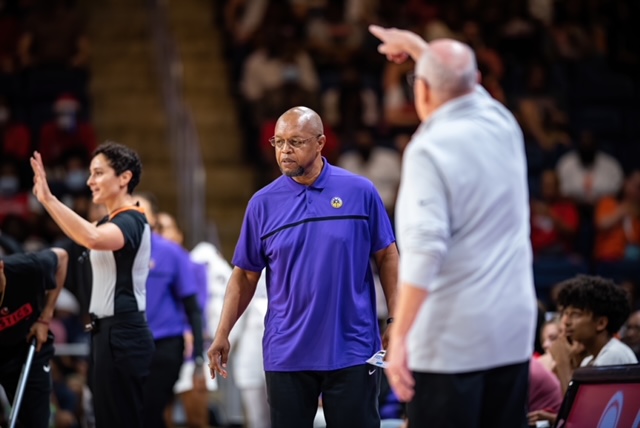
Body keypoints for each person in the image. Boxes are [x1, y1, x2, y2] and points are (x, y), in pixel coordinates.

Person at [368, 25, 537, 428]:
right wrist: (418, 50)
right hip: (512, 336)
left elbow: (425, 252)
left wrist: (403, 335)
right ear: (476, 82)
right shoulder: (504, 124)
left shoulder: (428, 147)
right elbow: (460, 83)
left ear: (421, 90)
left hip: (450, 345)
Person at [208, 106, 399, 428]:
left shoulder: (359, 191)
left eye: (295, 142)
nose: (285, 151)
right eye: (278, 142)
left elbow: (388, 257)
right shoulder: (262, 204)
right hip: (287, 352)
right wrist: (222, 332)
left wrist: (396, 318)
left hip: (352, 348)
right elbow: (244, 276)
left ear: (321, 142)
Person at [30, 141, 155, 428]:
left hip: (123, 332)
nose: (89, 181)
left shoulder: (132, 220)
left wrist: (48, 199)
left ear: (124, 178)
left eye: (98, 173)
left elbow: (92, 239)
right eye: (90, 173)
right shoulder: (107, 222)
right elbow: (80, 240)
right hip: (105, 333)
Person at [134, 194, 205, 428]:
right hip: (126, 345)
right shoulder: (114, 250)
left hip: (164, 345)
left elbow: (193, 306)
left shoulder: (171, 253)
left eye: (142, 211)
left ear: (154, 219)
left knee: (152, 412)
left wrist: (198, 358)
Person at [529, 275, 637, 426]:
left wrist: (563, 363)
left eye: (576, 314)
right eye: (565, 313)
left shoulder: (614, 355)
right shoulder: (590, 359)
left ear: (601, 323)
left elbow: (592, 420)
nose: (566, 322)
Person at [0, 247, 68, 427]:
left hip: (28, 345)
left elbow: (62, 257)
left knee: (35, 421)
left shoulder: (29, 267)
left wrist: (45, 318)